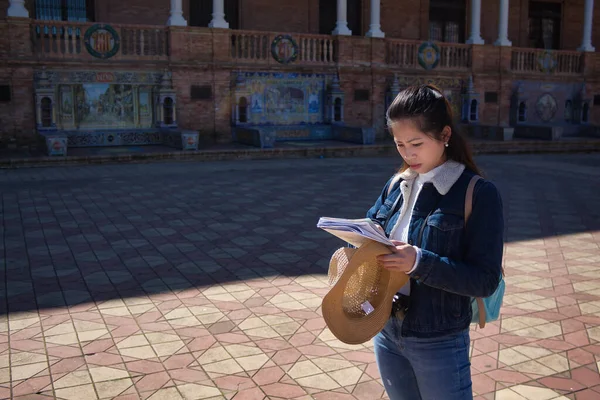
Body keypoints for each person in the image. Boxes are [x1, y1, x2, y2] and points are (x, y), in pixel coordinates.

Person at [366, 84, 504, 400]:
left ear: (444, 135)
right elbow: (372, 223)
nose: (407, 154)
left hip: (437, 338)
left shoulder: (477, 193)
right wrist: (359, 239)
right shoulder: (396, 184)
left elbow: (484, 280)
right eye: (399, 144)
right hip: (386, 328)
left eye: (416, 143)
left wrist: (418, 262)